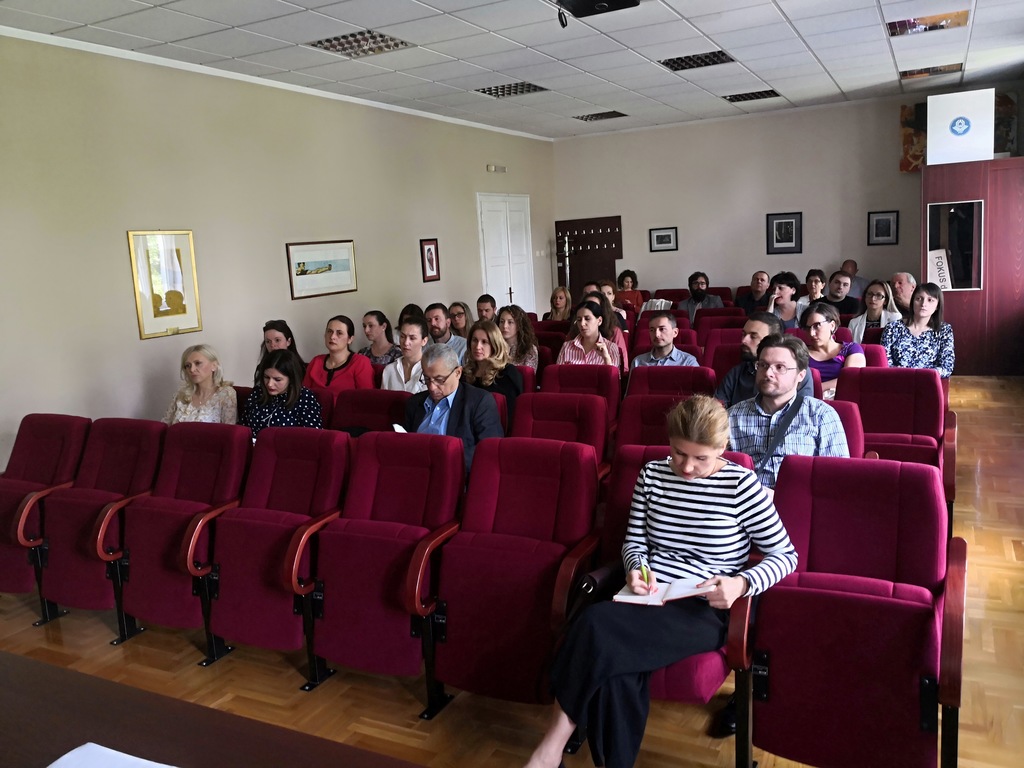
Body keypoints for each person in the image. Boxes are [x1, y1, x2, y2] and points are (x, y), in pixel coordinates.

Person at [525, 396, 797, 768]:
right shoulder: (653, 474)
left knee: (593, 624)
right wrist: (636, 568)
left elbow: (785, 555)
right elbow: (634, 542)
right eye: (678, 453)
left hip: (703, 606)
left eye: (701, 458)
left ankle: (549, 749)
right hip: (650, 595)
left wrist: (740, 584)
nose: (687, 467)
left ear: (722, 448)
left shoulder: (741, 485)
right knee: (618, 670)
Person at [727, 334, 850, 490]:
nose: (768, 373)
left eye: (780, 367)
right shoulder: (732, 416)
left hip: (801, 500)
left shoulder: (821, 415)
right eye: (763, 365)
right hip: (748, 501)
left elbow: (837, 478)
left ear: (800, 375)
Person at [404, 344, 503, 470]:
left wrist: (442, 460)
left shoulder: (479, 402)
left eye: (439, 380)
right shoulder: (415, 402)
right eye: (427, 379)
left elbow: (489, 450)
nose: (432, 387)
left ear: (457, 373)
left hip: (453, 472)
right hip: (414, 470)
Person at [714, 312, 814, 408]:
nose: (744, 340)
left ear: (772, 340)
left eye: (753, 336)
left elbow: (804, 410)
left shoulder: (796, 371)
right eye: (744, 334)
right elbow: (717, 407)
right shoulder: (737, 372)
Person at [882, 282, 955, 378]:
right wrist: (908, 375)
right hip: (898, 381)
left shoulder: (944, 330)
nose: (923, 304)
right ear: (912, 302)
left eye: (930, 300)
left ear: (937, 306)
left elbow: (947, 367)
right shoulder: (892, 328)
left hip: (928, 381)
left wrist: (921, 376)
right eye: (919, 299)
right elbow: (884, 363)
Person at [243, 349, 322, 439]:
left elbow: (313, 437)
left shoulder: (304, 397)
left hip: (287, 447)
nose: (270, 384)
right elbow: (244, 427)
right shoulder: (258, 392)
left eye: (277, 379)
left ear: (291, 379)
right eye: (266, 377)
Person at [463, 320, 524, 423]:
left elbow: (511, 416)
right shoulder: (465, 373)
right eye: (474, 340)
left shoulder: (507, 373)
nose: (477, 347)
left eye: (484, 342)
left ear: (494, 345)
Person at [163, 344, 237, 425]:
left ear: (214, 366)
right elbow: (165, 426)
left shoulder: (226, 394)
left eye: (198, 363)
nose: (192, 369)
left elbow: (229, 429)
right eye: (188, 365)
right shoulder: (181, 395)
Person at [801, 302, 865, 395]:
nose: (811, 333)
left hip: (842, 399)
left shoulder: (851, 349)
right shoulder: (800, 353)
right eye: (807, 328)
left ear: (832, 325)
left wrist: (812, 389)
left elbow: (850, 381)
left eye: (817, 325)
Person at [303, 315, 374, 395]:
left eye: (339, 333)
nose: (332, 337)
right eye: (329, 331)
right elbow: (303, 394)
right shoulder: (316, 361)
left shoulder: (360, 362)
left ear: (350, 339)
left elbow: (366, 397)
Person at [556, 299, 621, 368]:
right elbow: (557, 373)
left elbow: (614, 375)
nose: (582, 324)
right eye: (579, 320)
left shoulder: (611, 348)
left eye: (587, 319)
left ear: (599, 320)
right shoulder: (567, 347)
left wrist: (606, 358)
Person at [631, 312, 698, 368]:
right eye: (652, 330)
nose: (657, 334)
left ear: (675, 332)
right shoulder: (638, 362)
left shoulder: (688, 362)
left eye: (662, 329)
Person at [382, 315, 429, 394]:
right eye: (402, 336)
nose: (406, 343)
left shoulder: (430, 370)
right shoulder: (390, 370)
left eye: (412, 338)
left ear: (424, 341)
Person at [256, 319, 304, 384]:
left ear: (288, 341)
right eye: (268, 341)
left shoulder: (302, 368)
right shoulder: (261, 368)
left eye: (277, 340)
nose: (272, 345)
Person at [497, 304, 539, 370]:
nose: (504, 326)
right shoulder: (494, 346)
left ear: (519, 325)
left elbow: (528, 375)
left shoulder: (529, 350)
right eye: (502, 322)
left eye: (510, 322)